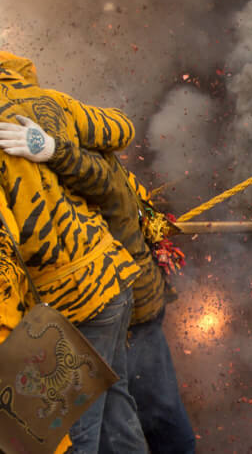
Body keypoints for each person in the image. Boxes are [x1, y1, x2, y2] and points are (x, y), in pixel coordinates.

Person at [0, 54, 195, 454]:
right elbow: (120, 126)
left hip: (76, 301)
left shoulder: (45, 130)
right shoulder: (52, 104)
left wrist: (54, 150)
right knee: (117, 410)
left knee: (75, 434)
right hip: (114, 286)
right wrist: (55, 146)